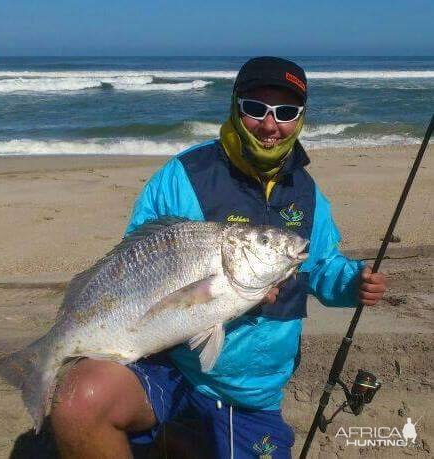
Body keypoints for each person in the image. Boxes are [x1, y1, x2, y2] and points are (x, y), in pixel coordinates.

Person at [50, 57, 387, 459]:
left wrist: (353, 281)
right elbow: (133, 261)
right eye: (255, 109)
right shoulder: (183, 174)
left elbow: (321, 264)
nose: (269, 124)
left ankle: (180, 441)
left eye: (285, 112)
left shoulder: (309, 193)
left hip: (248, 391)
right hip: (170, 366)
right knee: (78, 401)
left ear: (300, 119)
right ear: (235, 107)